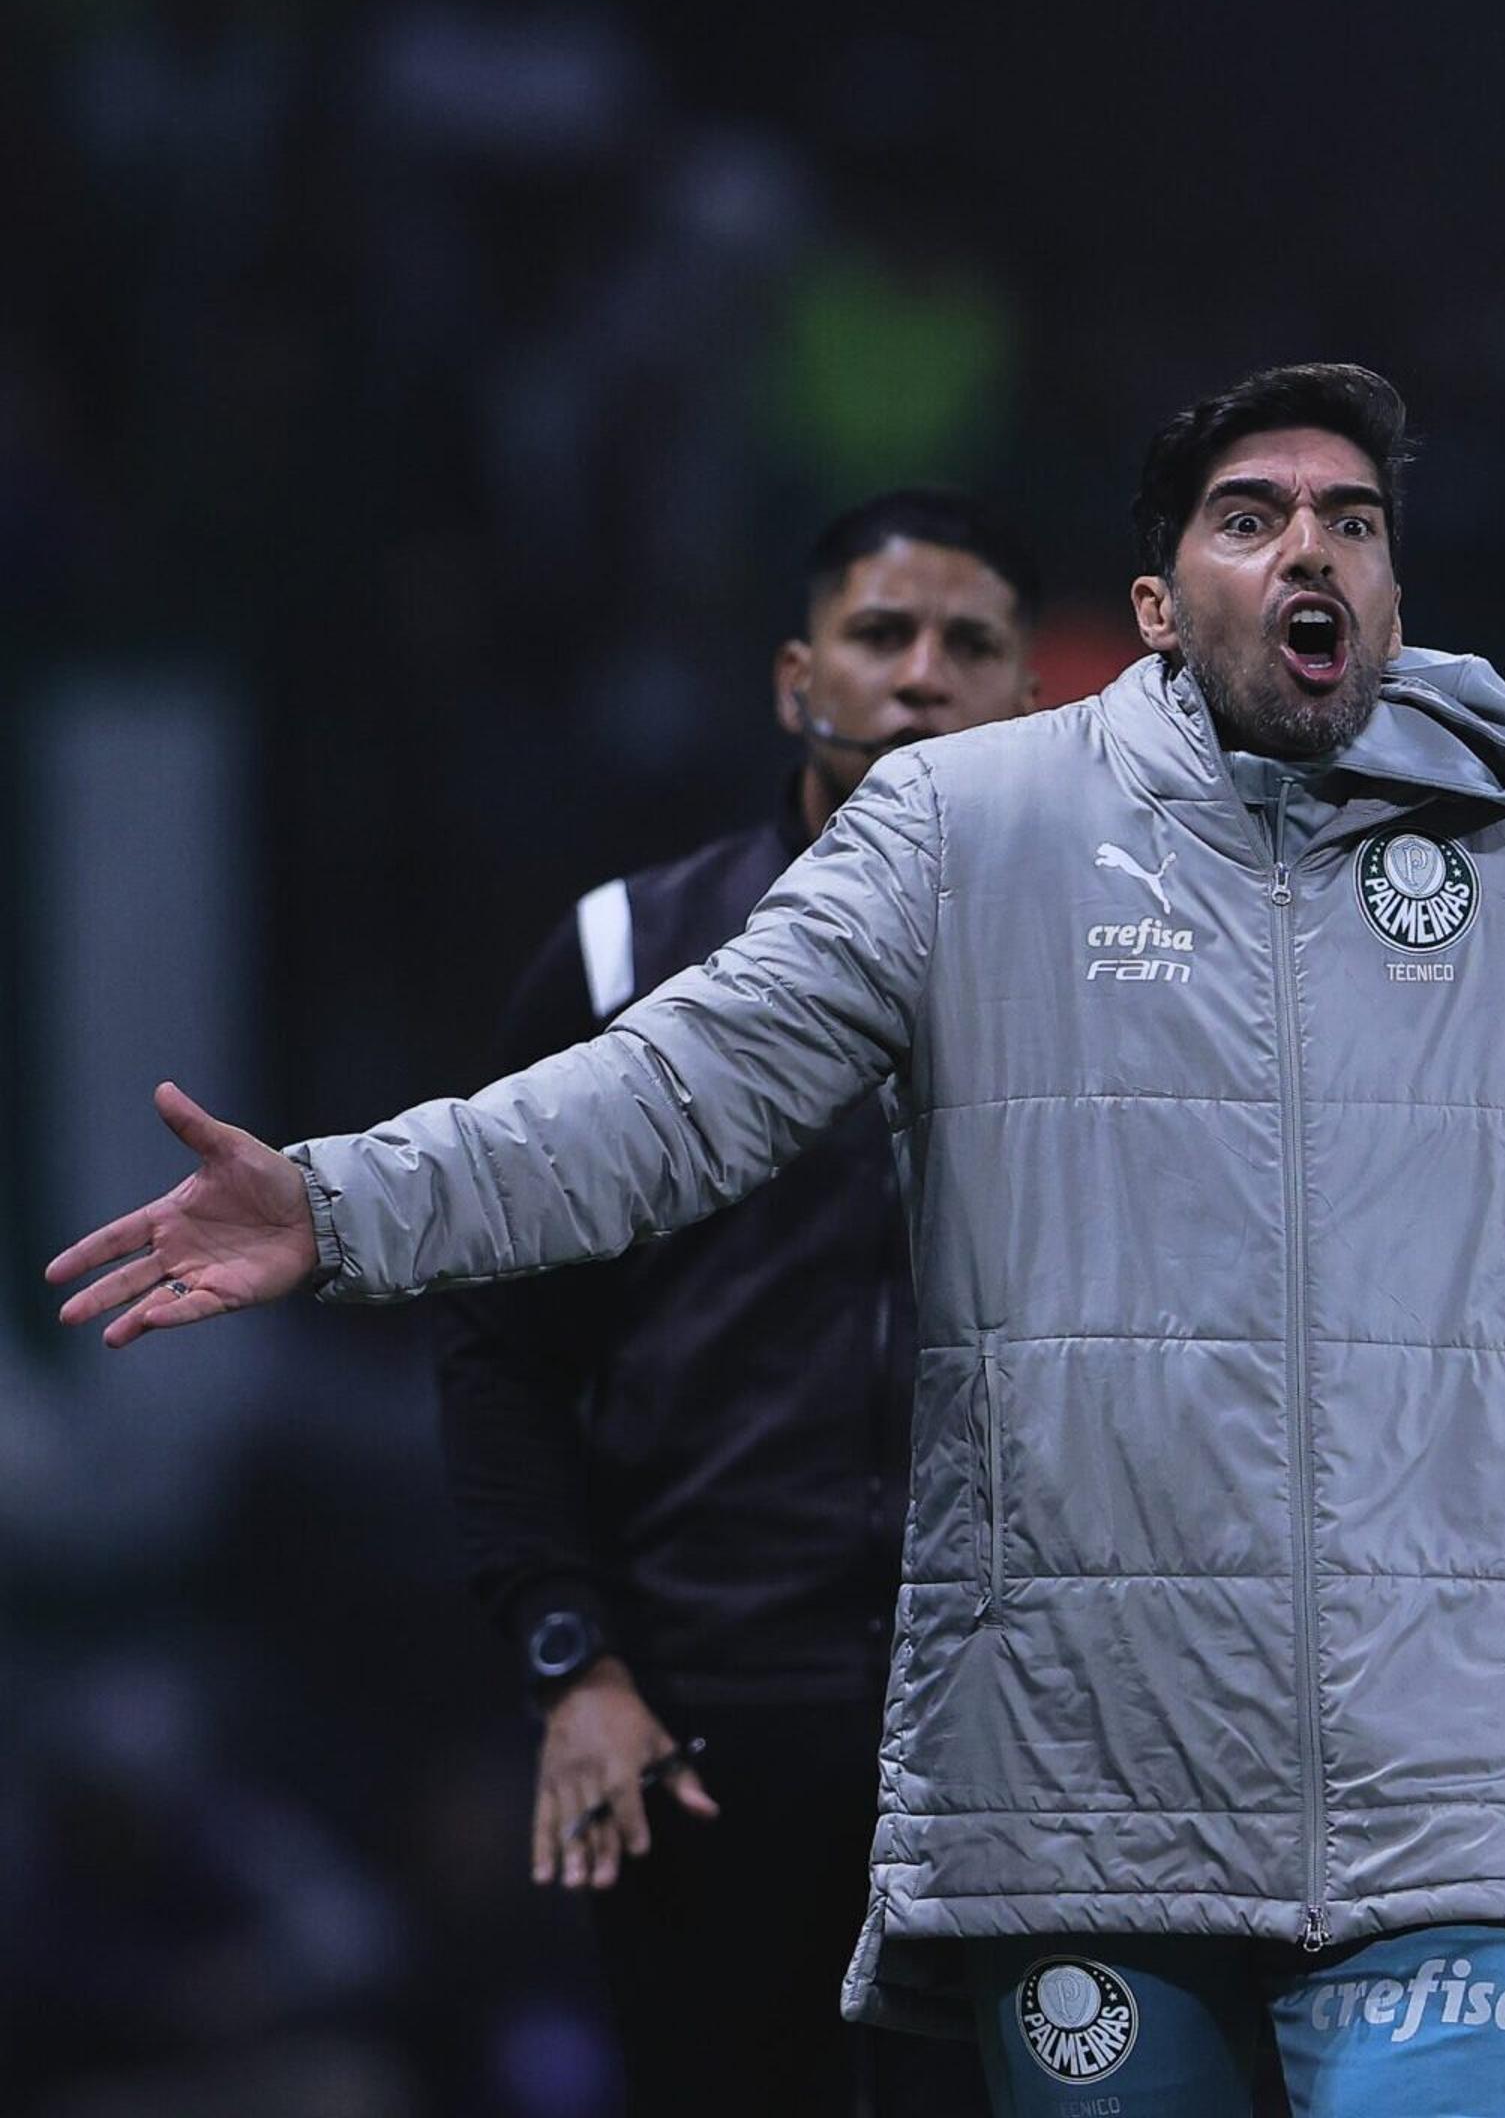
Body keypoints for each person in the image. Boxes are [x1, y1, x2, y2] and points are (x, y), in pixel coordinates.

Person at [48, 361, 1505, 2118]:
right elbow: (657, 1107)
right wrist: (344, 1203)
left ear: (1397, 585)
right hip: (1076, 1810)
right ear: (1154, 597)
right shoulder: (967, 842)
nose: (1310, 548)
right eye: (1250, 513)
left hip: (1437, 1792)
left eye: (1353, 518)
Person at [428, 488, 1040, 2117]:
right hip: (701, 1738)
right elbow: (498, 1347)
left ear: (1032, 697)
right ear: (796, 678)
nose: (922, 674)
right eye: (880, 634)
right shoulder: (628, 956)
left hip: (1025, 1755)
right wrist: (574, 1668)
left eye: (968, 644)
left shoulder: (1117, 972)